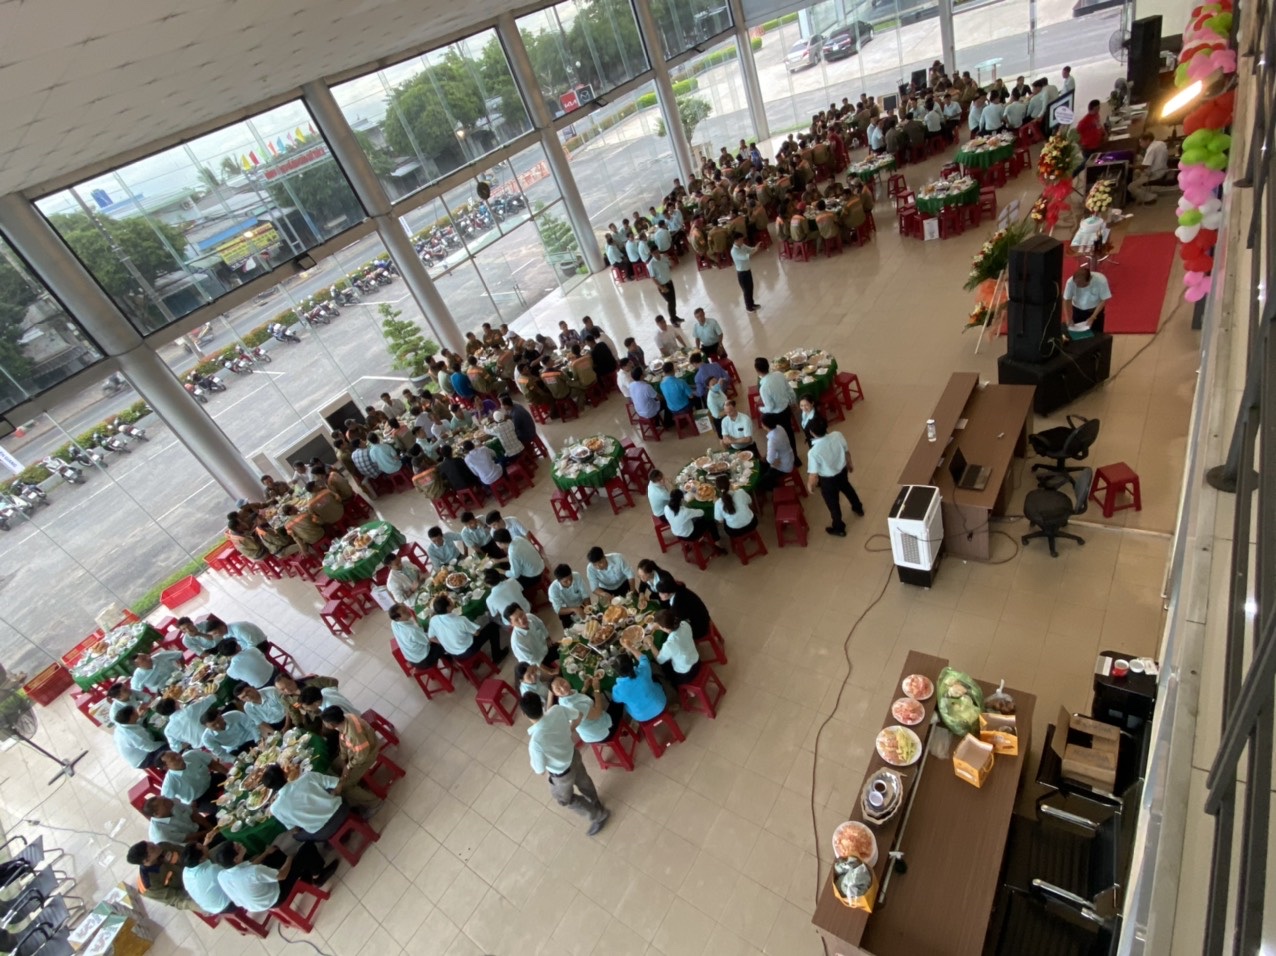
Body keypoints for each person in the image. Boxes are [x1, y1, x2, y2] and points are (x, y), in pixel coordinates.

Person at [520, 691, 610, 835]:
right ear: (542, 704)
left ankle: (598, 815)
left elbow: (540, 770)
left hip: (562, 774)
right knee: (584, 781)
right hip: (574, 755)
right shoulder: (557, 710)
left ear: (524, 714)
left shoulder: (535, 742)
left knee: (564, 800)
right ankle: (595, 801)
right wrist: (569, 730)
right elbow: (578, 716)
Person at [211, 840, 335, 913]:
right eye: (238, 847)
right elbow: (282, 875)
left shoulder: (222, 875)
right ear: (236, 859)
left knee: (273, 855)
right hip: (275, 897)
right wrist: (290, 859)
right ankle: (318, 877)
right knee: (306, 848)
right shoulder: (253, 872)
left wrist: (266, 853)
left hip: (255, 904)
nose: (240, 844)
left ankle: (303, 873)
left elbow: (249, 866)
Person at [260, 764, 352, 840]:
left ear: (270, 788)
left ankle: (332, 838)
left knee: (296, 836)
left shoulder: (275, 808)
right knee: (325, 790)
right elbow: (338, 783)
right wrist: (334, 794)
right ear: (285, 774)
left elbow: (294, 828)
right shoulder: (308, 777)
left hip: (322, 832)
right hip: (341, 810)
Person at [806, 418, 864, 536]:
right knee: (847, 488)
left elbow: (813, 475)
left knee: (833, 504)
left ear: (812, 432)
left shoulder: (813, 452)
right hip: (842, 471)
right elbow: (846, 451)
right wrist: (849, 464)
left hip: (828, 481)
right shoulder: (837, 435)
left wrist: (810, 485)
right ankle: (858, 507)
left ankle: (839, 528)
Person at [320, 707, 381, 808]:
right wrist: (343, 758)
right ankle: (354, 781)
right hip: (355, 752)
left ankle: (374, 802)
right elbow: (343, 743)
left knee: (346, 787)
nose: (324, 725)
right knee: (335, 765)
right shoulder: (345, 719)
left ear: (331, 724)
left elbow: (362, 756)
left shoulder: (353, 734)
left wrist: (348, 766)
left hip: (367, 755)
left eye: (325, 723)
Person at [427, 593, 507, 663]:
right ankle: (497, 655)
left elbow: (431, 638)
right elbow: (476, 633)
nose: (451, 600)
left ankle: (476, 662)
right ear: (447, 608)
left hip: (452, 653)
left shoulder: (433, 620)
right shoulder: (460, 620)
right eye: (450, 600)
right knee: (493, 626)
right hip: (468, 650)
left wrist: (444, 642)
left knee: (464, 632)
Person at [128, 841, 198, 910]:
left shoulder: (163, 846)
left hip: (191, 871)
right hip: (180, 890)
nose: (156, 845)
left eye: (151, 843)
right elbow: (176, 897)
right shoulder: (150, 885)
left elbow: (187, 853)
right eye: (153, 848)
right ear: (146, 860)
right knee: (196, 903)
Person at [755, 357, 800, 460]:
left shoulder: (764, 388)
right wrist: (793, 402)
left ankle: (783, 458)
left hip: (776, 415)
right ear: (768, 366)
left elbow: (770, 407)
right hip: (786, 409)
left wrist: (761, 409)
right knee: (790, 433)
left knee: (778, 437)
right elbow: (790, 390)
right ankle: (795, 457)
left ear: (757, 371)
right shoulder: (779, 374)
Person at [160, 749, 225, 816]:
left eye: (176, 754)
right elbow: (166, 804)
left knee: (230, 778)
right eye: (173, 759)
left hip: (210, 781)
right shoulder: (169, 782)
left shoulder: (192, 755)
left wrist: (228, 774)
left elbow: (212, 764)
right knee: (221, 809)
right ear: (166, 767)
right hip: (198, 799)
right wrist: (186, 806)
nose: (178, 757)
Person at [610, 653, 666, 723]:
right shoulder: (643, 670)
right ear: (632, 662)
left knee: (625, 704)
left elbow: (616, 700)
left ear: (616, 672)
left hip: (642, 717)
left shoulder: (617, 689)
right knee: (653, 679)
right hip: (660, 704)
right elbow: (643, 657)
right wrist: (630, 647)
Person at [651, 608, 700, 685]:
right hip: (696, 660)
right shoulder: (684, 624)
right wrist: (660, 627)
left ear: (665, 628)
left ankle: (679, 687)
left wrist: (650, 643)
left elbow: (659, 660)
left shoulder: (669, 644)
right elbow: (673, 632)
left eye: (660, 626)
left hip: (686, 673)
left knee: (663, 668)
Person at [180, 844, 233, 916]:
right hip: (226, 905)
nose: (205, 846)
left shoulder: (186, 871)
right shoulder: (212, 870)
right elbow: (232, 874)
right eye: (203, 847)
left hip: (209, 908)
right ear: (201, 859)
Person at [655, 574, 711, 640]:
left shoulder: (678, 605)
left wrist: (660, 627)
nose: (659, 595)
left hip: (700, 627)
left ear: (667, 593)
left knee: (675, 635)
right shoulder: (679, 590)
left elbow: (674, 627)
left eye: (660, 593)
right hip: (702, 617)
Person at [389, 603, 445, 667]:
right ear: (398, 618)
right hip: (423, 659)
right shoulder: (411, 631)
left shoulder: (393, 623)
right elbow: (429, 640)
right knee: (445, 641)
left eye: (405, 608)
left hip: (411, 657)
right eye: (404, 611)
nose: (407, 611)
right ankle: (450, 660)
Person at [1062, 265, 1112, 336]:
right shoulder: (1070, 282)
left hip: (1095, 310)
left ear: (1089, 280)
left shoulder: (1101, 280)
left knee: (1097, 334)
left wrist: (1093, 317)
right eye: (1076, 283)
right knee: (1078, 335)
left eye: (1080, 284)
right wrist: (1068, 319)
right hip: (1078, 309)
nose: (1077, 285)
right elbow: (1067, 300)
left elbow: (1103, 300)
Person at [141, 795, 207, 845]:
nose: (168, 801)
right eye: (164, 803)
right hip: (190, 845)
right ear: (157, 813)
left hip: (197, 828)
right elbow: (187, 838)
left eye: (164, 798)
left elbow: (193, 814)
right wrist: (208, 832)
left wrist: (210, 827)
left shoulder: (172, 803)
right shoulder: (161, 832)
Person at [495, 527, 544, 591]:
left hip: (534, 576)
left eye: (496, 543)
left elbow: (515, 575)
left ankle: (528, 594)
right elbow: (516, 557)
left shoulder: (513, 552)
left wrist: (502, 571)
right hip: (540, 565)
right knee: (509, 568)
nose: (497, 545)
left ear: (500, 543)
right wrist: (499, 561)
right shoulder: (518, 538)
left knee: (511, 583)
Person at [1128, 132, 1171, 204]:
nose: (1140, 144)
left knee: (1131, 186)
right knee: (1137, 173)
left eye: (1141, 142)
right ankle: (1140, 196)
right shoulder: (1161, 143)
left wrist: (1131, 166)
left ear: (1148, 140)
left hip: (1155, 174)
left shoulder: (1151, 149)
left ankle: (1150, 197)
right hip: (1164, 169)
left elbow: (1145, 165)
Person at [548, 563, 589, 628]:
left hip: (582, 606)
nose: (569, 582)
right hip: (566, 612)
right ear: (559, 581)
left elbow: (585, 595)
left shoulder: (577, 576)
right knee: (571, 630)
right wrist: (574, 609)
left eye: (570, 578)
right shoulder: (553, 590)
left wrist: (588, 608)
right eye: (565, 581)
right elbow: (558, 610)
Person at [648, 248, 680, 323]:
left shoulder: (664, 258)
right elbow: (653, 278)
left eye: (657, 252)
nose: (657, 254)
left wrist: (670, 258)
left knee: (673, 301)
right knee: (670, 302)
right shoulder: (651, 264)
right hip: (662, 285)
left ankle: (674, 316)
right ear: (652, 254)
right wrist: (661, 287)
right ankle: (672, 319)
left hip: (669, 282)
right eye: (654, 253)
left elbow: (672, 266)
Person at [730, 235, 761, 312]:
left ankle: (752, 304)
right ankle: (748, 307)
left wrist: (755, 248)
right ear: (736, 241)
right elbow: (745, 257)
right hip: (742, 273)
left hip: (747, 270)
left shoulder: (742, 245)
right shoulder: (734, 251)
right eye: (741, 240)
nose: (742, 241)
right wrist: (755, 250)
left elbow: (749, 249)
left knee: (751, 288)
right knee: (746, 290)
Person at [202, 615, 269, 650]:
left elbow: (253, 643)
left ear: (221, 626)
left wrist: (246, 655)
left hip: (260, 645)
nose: (217, 635)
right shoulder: (225, 635)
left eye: (216, 632)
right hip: (250, 648)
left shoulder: (238, 628)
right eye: (214, 635)